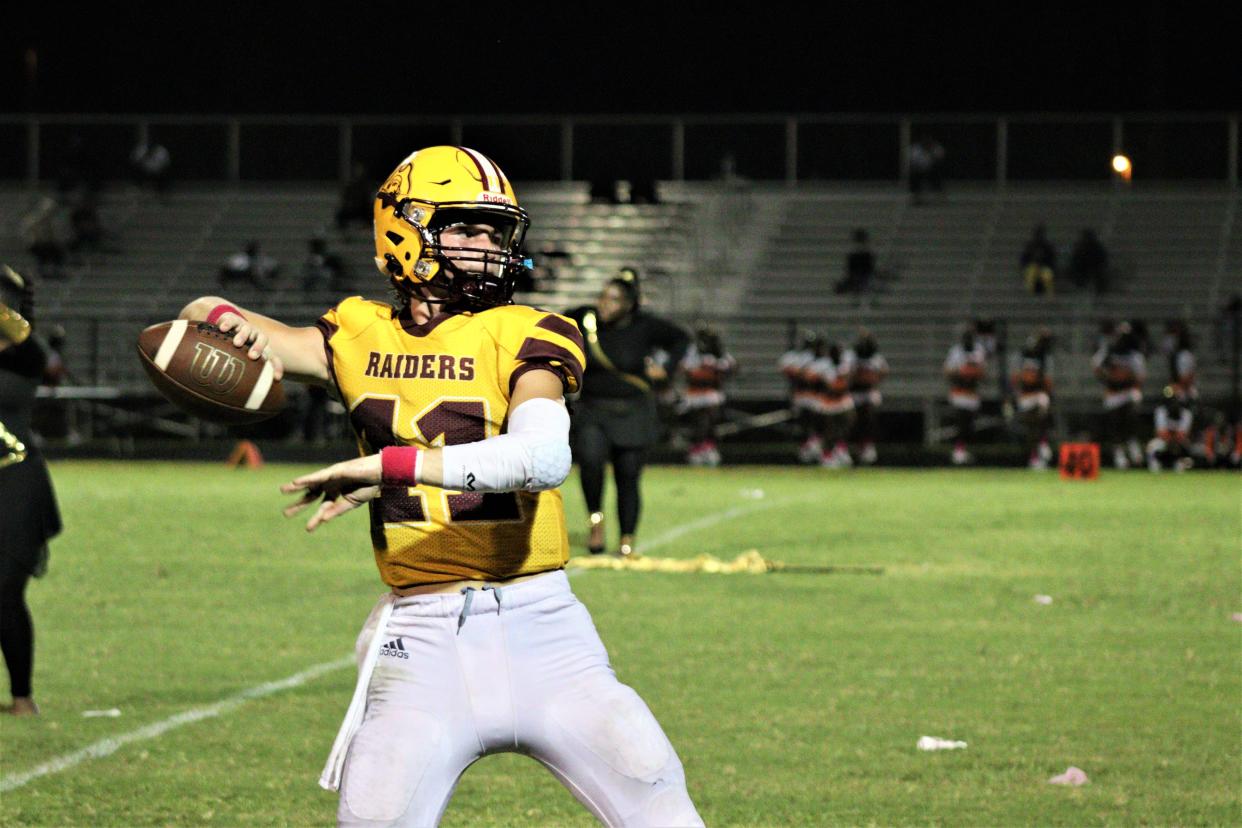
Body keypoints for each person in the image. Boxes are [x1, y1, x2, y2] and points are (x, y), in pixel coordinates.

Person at [177, 146, 702, 826]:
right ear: (404, 230)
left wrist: (394, 466)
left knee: (659, 798)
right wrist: (219, 321)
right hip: (420, 642)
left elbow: (542, 456)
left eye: (496, 231)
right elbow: (214, 317)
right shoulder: (355, 332)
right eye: (466, 227)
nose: (488, 246)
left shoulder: (529, 331)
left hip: (544, 627)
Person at [565, 268, 689, 557]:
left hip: (633, 410)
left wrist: (667, 369)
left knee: (628, 475)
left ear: (629, 304)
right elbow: (549, 325)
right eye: (603, 297)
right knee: (592, 466)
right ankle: (596, 523)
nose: (605, 304)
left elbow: (681, 339)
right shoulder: (586, 319)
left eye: (614, 299)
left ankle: (627, 539)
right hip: (594, 409)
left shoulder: (646, 326)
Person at [0, 266, 62, 717]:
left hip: (17, 483)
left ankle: (22, 698)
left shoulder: (25, 359)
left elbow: (32, 346)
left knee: (4, 590)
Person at [678, 323, 736, 466]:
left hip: (712, 391)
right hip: (695, 393)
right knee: (700, 421)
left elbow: (731, 367)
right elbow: (688, 371)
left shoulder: (717, 351)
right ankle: (696, 448)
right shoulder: (692, 350)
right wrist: (707, 372)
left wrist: (716, 370)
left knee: (712, 419)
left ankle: (708, 446)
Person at [1092, 321, 1146, 468]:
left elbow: (1140, 378)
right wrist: (1109, 378)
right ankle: (1119, 453)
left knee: (1131, 411)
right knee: (1114, 423)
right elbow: (1095, 366)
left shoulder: (1135, 355)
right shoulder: (1108, 351)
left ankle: (1133, 445)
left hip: (1128, 392)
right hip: (1113, 393)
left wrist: (1126, 378)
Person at [779, 330, 828, 464]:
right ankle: (807, 446)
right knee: (803, 423)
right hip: (801, 395)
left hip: (816, 396)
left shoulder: (821, 359)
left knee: (817, 421)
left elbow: (817, 377)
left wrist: (806, 374)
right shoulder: (796, 356)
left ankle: (815, 445)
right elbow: (787, 369)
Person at [1011, 328, 1055, 470]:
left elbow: (1049, 383)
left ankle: (1041, 445)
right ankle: (1038, 450)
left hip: (1038, 395)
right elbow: (1015, 378)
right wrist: (1027, 379)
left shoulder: (1045, 359)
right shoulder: (1021, 356)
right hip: (1024, 396)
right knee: (1033, 425)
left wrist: (1037, 381)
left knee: (1042, 406)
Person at [944, 326, 988, 465]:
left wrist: (974, 372)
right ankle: (959, 451)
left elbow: (983, 372)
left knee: (969, 424)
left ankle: (963, 450)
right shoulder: (956, 352)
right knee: (961, 421)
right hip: (959, 391)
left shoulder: (979, 351)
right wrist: (960, 372)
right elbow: (947, 371)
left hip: (972, 392)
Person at [809, 340, 856, 468]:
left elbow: (845, 383)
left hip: (842, 401)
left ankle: (840, 448)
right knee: (829, 430)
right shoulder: (823, 366)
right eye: (835, 353)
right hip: (828, 403)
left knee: (848, 421)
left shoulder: (844, 365)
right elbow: (833, 386)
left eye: (839, 352)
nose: (838, 355)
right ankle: (826, 455)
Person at [846, 328, 888, 465]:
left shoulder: (876, 357)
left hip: (868, 392)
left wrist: (871, 379)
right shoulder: (851, 356)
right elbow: (846, 374)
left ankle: (867, 445)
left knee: (869, 417)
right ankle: (848, 446)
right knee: (851, 420)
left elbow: (884, 371)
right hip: (852, 392)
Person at [1147, 386, 1195, 472]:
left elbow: (1182, 435)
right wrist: (1173, 435)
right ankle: (1155, 469)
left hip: (1179, 443)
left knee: (1186, 446)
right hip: (1164, 441)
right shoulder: (1161, 411)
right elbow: (1161, 433)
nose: (1174, 403)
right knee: (1153, 445)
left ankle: (1179, 467)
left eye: (1176, 400)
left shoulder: (1186, 414)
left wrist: (1172, 435)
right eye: (1172, 400)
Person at [335, 161, 373, 235]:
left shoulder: (366, 185)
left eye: (360, 171)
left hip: (362, 209)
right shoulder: (351, 185)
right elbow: (346, 198)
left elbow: (367, 198)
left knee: (370, 211)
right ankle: (343, 231)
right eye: (357, 171)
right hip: (353, 208)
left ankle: (369, 228)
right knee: (341, 214)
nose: (358, 172)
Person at [835, 228, 876, 295]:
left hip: (863, 274)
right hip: (858, 273)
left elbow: (869, 268)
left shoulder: (866, 254)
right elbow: (850, 268)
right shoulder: (853, 255)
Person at [1020, 224, 1056, 296]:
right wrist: (1026, 265)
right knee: (1031, 274)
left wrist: (1045, 263)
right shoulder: (1030, 246)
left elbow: (1052, 258)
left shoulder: (1047, 246)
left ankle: (1049, 294)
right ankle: (1030, 293)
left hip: (1044, 267)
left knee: (1048, 276)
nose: (1039, 236)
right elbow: (1024, 258)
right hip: (1032, 266)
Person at [908, 134, 945, 204]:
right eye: (925, 141)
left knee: (937, 172)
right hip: (919, 170)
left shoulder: (937, 148)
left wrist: (931, 154)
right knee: (913, 175)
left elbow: (939, 160)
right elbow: (913, 163)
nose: (927, 143)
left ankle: (939, 195)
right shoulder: (915, 149)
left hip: (931, 170)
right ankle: (916, 197)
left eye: (928, 141)